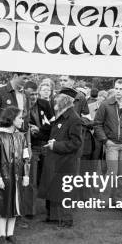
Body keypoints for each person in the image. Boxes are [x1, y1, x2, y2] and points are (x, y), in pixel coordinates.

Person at [39, 88, 83, 227]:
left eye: (59, 97)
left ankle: (66, 220)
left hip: (66, 161)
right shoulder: (61, 114)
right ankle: (52, 216)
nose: (56, 99)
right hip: (55, 159)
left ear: (66, 100)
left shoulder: (74, 118)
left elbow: (76, 143)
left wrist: (56, 145)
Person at [94, 79, 122, 203]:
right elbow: (97, 124)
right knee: (112, 173)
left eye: (121, 89)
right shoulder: (106, 104)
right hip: (112, 144)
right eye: (116, 88)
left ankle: (118, 200)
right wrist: (105, 140)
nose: (118, 91)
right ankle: (103, 200)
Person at [0, 106, 31, 244]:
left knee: (15, 203)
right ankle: (1, 234)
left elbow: (26, 156)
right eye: (20, 118)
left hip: (18, 176)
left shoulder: (21, 136)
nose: (22, 120)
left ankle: (10, 233)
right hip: (5, 176)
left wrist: (26, 175)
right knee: (3, 203)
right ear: (11, 118)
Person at [25, 81, 54, 218]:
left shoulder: (45, 104)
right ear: (25, 93)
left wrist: (39, 130)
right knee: (32, 179)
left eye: (36, 93)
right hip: (31, 146)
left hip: (45, 144)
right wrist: (30, 130)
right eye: (31, 94)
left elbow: (52, 124)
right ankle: (30, 209)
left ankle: (50, 209)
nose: (34, 96)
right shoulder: (21, 105)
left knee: (48, 177)